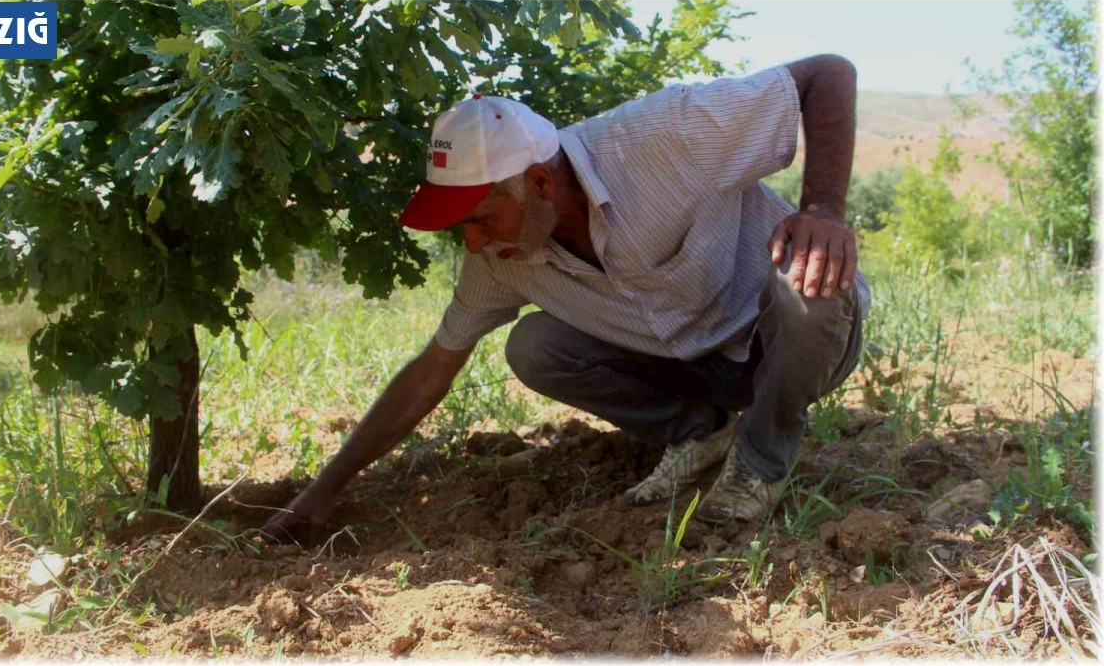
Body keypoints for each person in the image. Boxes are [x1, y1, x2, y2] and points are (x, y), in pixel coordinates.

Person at [264, 54, 870, 545]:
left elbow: (827, 74)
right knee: (534, 346)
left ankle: (758, 467)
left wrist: (821, 210)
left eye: (481, 217)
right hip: (696, 370)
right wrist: (324, 488)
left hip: (790, 346)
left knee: (808, 283)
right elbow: (429, 373)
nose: (472, 241)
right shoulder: (498, 260)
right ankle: (701, 432)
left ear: (538, 182)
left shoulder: (666, 136)